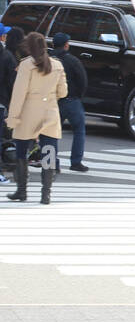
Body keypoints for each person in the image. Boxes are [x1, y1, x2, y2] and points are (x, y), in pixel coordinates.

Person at [5, 32, 66, 204]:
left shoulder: (26, 65)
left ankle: (22, 191)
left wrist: (12, 118)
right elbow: (63, 92)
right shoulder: (57, 65)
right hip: (50, 112)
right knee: (49, 152)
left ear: (28, 47)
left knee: (22, 151)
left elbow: (18, 94)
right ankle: (46, 194)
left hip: (28, 112)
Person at [52, 32, 88, 172]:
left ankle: (52, 163)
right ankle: (76, 162)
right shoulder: (72, 60)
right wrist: (79, 96)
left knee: (51, 133)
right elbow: (82, 80)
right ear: (66, 45)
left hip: (53, 101)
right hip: (72, 100)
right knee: (79, 130)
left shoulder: (48, 60)